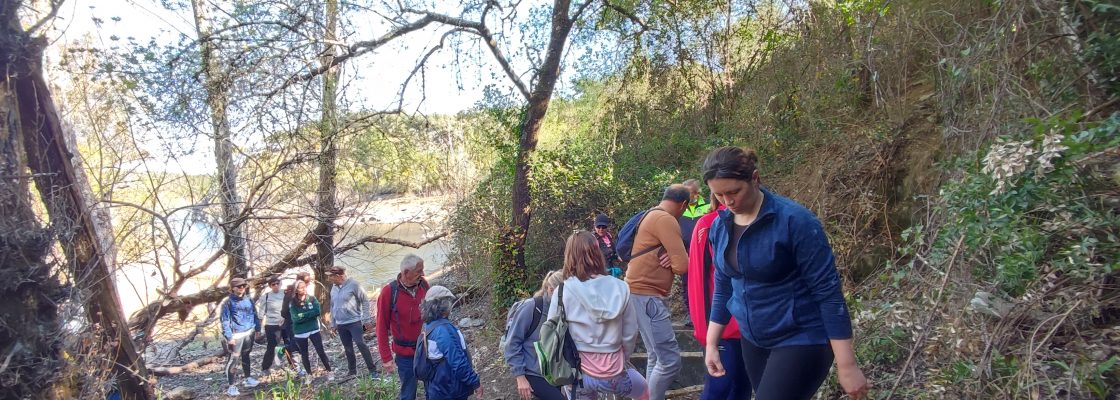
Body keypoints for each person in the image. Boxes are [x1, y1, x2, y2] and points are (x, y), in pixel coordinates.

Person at [702, 146, 870, 400]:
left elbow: (828, 294)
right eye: (719, 195)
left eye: (734, 192)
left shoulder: (795, 221)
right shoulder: (720, 225)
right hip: (753, 339)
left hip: (801, 336)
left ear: (755, 179)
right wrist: (712, 343)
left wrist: (847, 365)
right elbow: (724, 285)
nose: (727, 202)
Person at [553, 231, 647, 400]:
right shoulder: (620, 287)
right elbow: (630, 333)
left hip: (578, 375)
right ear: (598, 253)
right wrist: (622, 359)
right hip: (614, 373)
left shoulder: (562, 291)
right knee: (644, 391)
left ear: (569, 256)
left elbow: (554, 336)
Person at [624, 184, 690, 400]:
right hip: (647, 295)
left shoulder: (650, 215)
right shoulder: (665, 219)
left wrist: (672, 256)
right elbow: (682, 266)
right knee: (670, 361)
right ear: (683, 204)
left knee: (656, 356)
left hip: (639, 293)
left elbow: (677, 261)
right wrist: (676, 257)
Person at [686, 196, 751, 399]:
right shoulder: (710, 223)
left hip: (753, 328)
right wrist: (705, 331)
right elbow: (698, 280)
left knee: (742, 389)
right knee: (719, 389)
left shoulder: (757, 220)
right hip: (723, 327)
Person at [503, 270, 566, 400]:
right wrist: (520, 377)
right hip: (533, 373)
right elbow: (511, 343)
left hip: (554, 373)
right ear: (550, 290)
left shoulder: (562, 310)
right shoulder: (531, 308)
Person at [377, 254, 430, 400]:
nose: (423, 274)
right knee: (408, 393)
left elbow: (433, 315)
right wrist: (386, 357)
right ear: (406, 272)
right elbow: (381, 327)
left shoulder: (424, 285)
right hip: (405, 355)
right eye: (419, 271)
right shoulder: (389, 292)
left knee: (433, 388)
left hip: (427, 349)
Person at [420, 285, 482, 400]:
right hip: (449, 391)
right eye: (450, 302)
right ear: (443, 305)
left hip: (436, 388)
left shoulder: (427, 325)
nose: (451, 306)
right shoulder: (443, 330)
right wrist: (475, 382)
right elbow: (457, 362)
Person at [327, 266, 379, 378]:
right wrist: (333, 323)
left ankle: (372, 369)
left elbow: (365, 301)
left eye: (330, 276)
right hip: (341, 323)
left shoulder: (354, 285)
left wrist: (366, 319)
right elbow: (333, 306)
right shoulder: (333, 287)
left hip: (354, 322)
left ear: (338, 276)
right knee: (347, 347)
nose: (329, 278)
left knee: (360, 343)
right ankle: (352, 370)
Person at [220, 277, 261, 397]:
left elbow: (254, 314)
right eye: (239, 286)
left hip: (249, 332)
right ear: (233, 288)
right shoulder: (228, 303)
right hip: (236, 335)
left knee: (246, 355)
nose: (242, 288)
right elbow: (225, 321)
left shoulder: (248, 300)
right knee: (234, 359)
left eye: (244, 286)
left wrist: (257, 328)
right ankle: (231, 386)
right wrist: (229, 337)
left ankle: (248, 378)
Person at [290, 280, 334, 384]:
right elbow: (295, 318)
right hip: (300, 332)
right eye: (301, 287)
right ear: (296, 290)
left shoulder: (312, 298)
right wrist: (308, 314)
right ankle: (309, 375)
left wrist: (304, 315)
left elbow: (317, 311)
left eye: (304, 286)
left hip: (313, 329)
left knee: (320, 351)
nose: (304, 289)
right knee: (304, 354)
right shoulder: (293, 303)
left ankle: (329, 371)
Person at [259, 277, 295, 375]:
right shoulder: (266, 296)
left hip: (286, 323)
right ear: (270, 286)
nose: (275, 286)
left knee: (290, 344)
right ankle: (265, 368)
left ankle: (293, 365)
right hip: (272, 325)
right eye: (273, 284)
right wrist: (259, 329)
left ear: (280, 284)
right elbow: (261, 313)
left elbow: (292, 306)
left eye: (277, 283)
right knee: (272, 346)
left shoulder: (285, 293)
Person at [592, 213, 622, 278]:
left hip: (610, 269)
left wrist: (617, 256)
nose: (601, 229)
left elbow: (613, 251)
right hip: (599, 272)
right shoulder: (592, 239)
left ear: (607, 227)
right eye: (598, 227)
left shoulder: (609, 236)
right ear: (595, 227)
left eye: (604, 227)